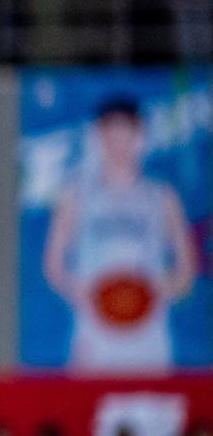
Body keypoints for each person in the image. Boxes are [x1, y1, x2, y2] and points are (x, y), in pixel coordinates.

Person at [43, 96, 197, 369]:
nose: (118, 142)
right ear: (99, 136)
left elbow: (187, 267)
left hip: (148, 336)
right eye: (111, 132)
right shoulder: (76, 196)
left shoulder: (161, 197)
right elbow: (53, 265)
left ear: (140, 135)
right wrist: (83, 293)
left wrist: (160, 291)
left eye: (126, 131)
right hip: (95, 335)